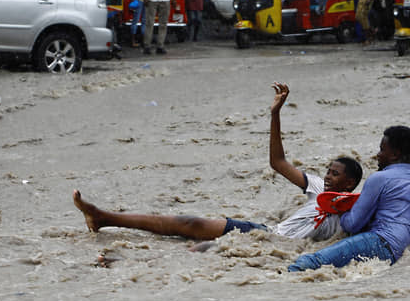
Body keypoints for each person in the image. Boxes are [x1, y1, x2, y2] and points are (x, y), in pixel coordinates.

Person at [73, 83, 363, 243]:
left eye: (334, 174)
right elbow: (277, 162)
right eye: (327, 171)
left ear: (350, 183)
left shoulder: (357, 210)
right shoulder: (316, 188)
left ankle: (104, 220)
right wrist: (275, 114)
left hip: (282, 249)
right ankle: (104, 217)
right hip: (265, 234)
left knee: (201, 247)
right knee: (190, 222)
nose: (326, 177)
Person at [288, 126, 410, 272]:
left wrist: (340, 208)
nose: (377, 155)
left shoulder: (379, 178)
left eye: (381, 150)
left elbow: (353, 224)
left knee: (309, 262)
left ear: (394, 154)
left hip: (378, 242)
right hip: (400, 254)